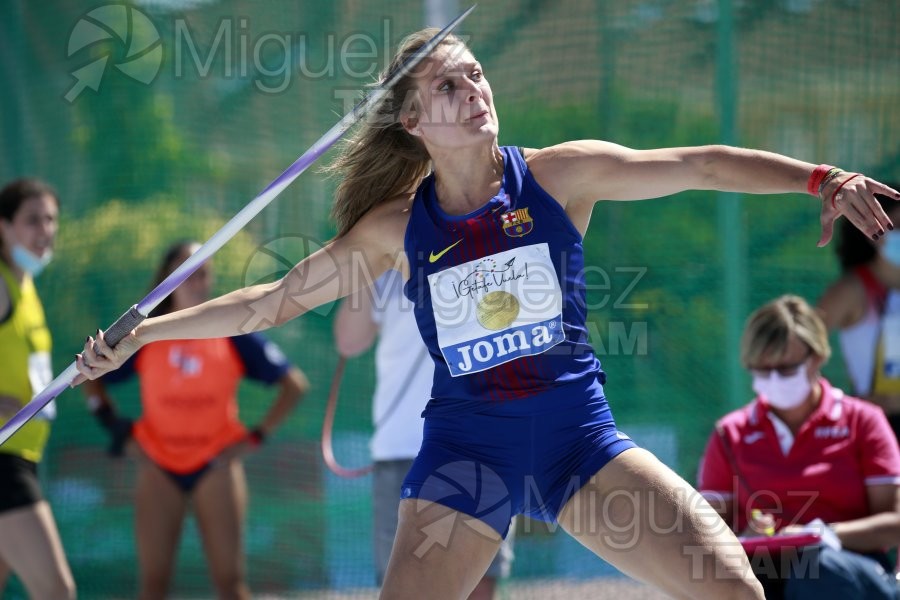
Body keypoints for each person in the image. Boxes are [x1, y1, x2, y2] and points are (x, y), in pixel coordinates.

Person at [72, 27, 900, 600]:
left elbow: (700, 165)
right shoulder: (396, 228)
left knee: (733, 589)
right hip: (467, 462)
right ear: (411, 121)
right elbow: (265, 302)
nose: (473, 89)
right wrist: (142, 336)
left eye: (475, 74)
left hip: (580, 445)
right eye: (447, 83)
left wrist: (821, 179)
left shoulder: (559, 175)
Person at [82, 240, 309, 600]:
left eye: (203, 272)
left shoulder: (230, 332)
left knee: (231, 586)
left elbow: (294, 386)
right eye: (186, 272)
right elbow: (87, 377)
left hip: (215, 466)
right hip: (157, 466)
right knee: (153, 587)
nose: (197, 281)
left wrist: (254, 439)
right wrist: (117, 431)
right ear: (165, 281)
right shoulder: (140, 336)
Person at [697, 295, 900, 599]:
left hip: (846, 570)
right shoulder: (729, 434)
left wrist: (822, 535)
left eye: (787, 368)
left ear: (817, 356)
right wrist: (746, 537)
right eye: (762, 371)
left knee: (817, 568)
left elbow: (894, 523)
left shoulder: (863, 421)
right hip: (763, 569)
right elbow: (708, 532)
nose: (774, 379)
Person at [334, 269, 514, 598]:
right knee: (402, 584)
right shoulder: (382, 268)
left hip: (478, 446)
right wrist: (366, 257)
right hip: (402, 448)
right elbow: (349, 341)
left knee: (478, 581)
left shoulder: (485, 248)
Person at [0, 178, 76, 599]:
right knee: (57, 591)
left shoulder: (27, 288)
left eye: (51, 220)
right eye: (33, 220)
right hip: (3, 462)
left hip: (24, 458)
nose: (45, 230)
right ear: (3, 226)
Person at [818, 184, 900, 438]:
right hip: (878, 427)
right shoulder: (851, 290)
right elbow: (798, 347)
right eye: (897, 225)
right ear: (872, 229)